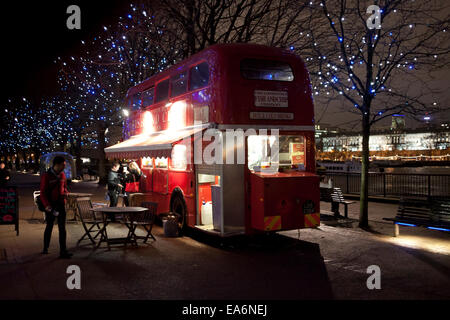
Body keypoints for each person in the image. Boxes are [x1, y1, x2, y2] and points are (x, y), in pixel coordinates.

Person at [40, 156, 72, 259]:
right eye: (63, 165)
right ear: (57, 165)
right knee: (49, 226)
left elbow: (65, 187)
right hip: (51, 205)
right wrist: (47, 205)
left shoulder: (62, 175)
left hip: (61, 204)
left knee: (62, 228)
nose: (64, 167)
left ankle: (63, 251)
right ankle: (45, 247)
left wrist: (66, 193)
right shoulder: (47, 176)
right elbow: (43, 193)